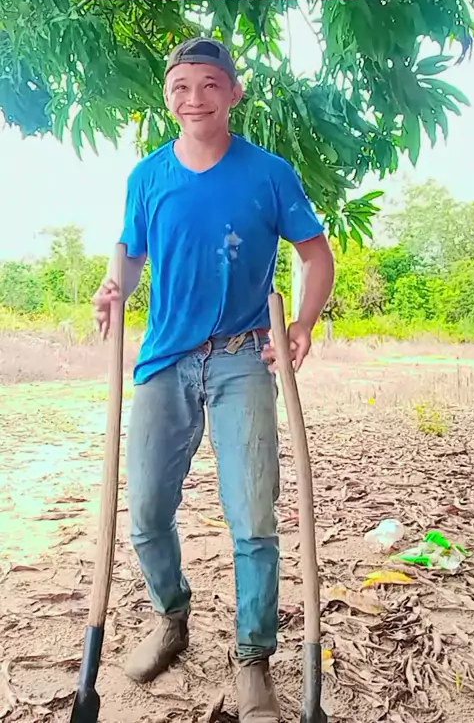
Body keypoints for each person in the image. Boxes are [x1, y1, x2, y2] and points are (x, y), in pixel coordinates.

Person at [92, 37, 335, 723]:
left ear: (233, 92)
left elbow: (316, 256)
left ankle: (253, 657)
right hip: (164, 360)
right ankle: (172, 617)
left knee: (253, 518)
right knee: (145, 513)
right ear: (167, 97)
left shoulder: (269, 173)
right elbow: (131, 255)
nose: (193, 98)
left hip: (243, 356)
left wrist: (303, 321)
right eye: (180, 87)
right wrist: (113, 287)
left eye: (208, 84)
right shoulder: (147, 177)